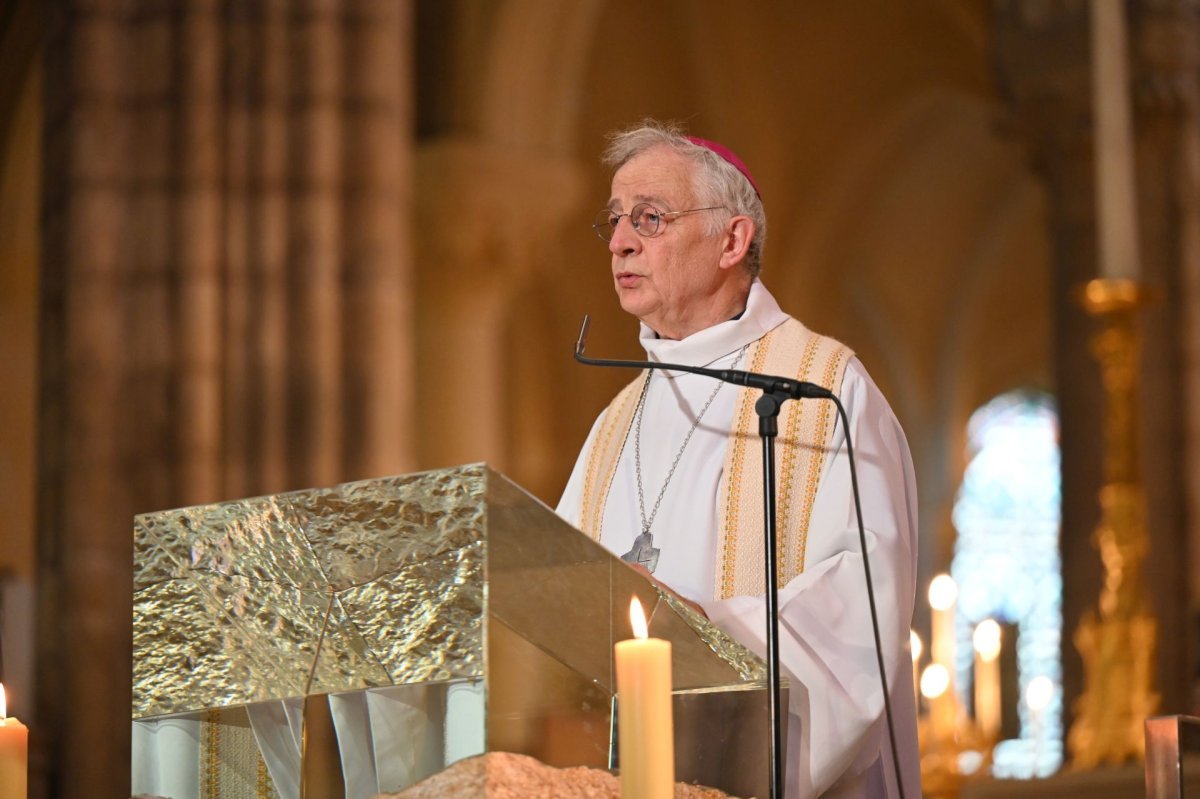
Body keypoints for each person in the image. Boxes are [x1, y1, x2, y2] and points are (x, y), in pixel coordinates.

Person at [556, 120, 921, 799]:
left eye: (650, 217)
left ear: (732, 239)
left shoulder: (822, 389)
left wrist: (695, 627)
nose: (620, 242)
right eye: (613, 220)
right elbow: (552, 615)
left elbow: (859, 610)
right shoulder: (613, 425)